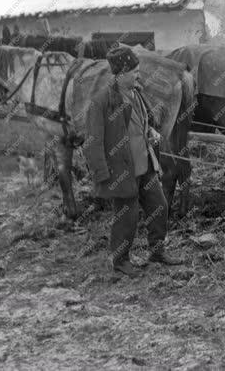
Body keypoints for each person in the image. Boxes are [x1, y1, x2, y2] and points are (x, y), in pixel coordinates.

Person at [85, 45, 182, 277]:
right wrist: (102, 174)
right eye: (134, 71)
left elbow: (142, 122)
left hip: (145, 165)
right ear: (120, 74)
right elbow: (93, 142)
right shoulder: (101, 102)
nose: (138, 75)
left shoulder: (137, 94)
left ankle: (157, 252)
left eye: (138, 70)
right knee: (126, 218)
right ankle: (121, 262)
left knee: (159, 206)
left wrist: (150, 132)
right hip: (121, 171)